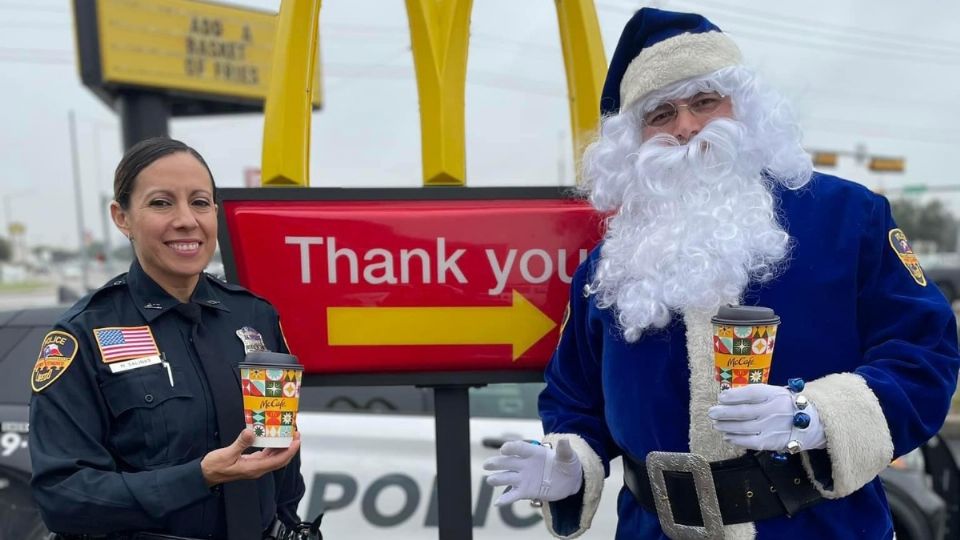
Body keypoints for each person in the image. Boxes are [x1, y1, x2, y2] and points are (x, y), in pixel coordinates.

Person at [483, 8, 960, 540]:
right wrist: (567, 461)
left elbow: (924, 353)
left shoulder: (847, 219)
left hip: (823, 528)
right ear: (635, 141)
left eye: (704, 102)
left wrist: (818, 415)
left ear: (746, 109)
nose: (686, 126)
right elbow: (575, 399)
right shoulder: (610, 266)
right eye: (661, 114)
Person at [29, 137, 308, 540]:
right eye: (161, 203)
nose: (186, 220)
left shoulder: (254, 316)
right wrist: (199, 477)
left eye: (199, 202)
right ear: (122, 217)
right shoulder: (83, 335)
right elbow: (62, 497)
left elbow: (281, 460)